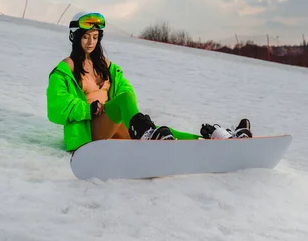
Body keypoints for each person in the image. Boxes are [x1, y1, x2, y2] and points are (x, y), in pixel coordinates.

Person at [46, 11, 252, 152]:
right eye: (85, 37)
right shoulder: (66, 69)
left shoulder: (107, 66)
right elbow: (56, 107)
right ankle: (146, 135)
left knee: (165, 131)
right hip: (88, 131)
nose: (91, 42)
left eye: (95, 36)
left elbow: (127, 92)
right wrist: (88, 109)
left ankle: (212, 140)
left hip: (112, 125)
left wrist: (128, 113)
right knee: (126, 103)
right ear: (75, 37)